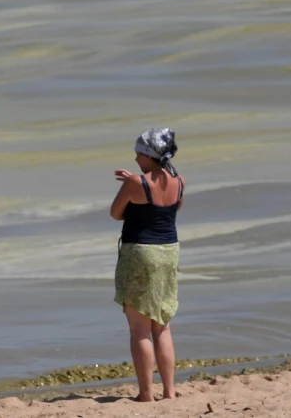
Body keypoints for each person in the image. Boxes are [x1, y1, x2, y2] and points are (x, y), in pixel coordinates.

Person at [110, 128, 184, 402]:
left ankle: (146, 394)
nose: (136, 157)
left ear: (149, 156)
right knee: (162, 325)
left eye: (139, 153)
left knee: (139, 328)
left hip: (141, 252)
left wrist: (134, 184)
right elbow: (171, 209)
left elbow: (116, 213)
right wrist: (138, 183)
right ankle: (170, 391)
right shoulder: (179, 181)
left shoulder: (135, 183)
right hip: (169, 252)